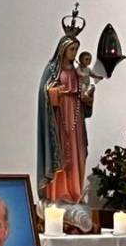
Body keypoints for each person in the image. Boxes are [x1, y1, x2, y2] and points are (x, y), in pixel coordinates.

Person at [37, 30, 90, 204]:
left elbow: (84, 92)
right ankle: (57, 194)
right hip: (58, 120)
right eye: (72, 49)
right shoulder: (52, 69)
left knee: (77, 154)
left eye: (76, 49)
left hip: (75, 119)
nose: (74, 53)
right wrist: (56, 92)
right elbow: (44, 93)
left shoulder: (78, 72)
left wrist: (87, 96)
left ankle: (75, 192)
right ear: (62, 49)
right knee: (60, 155)